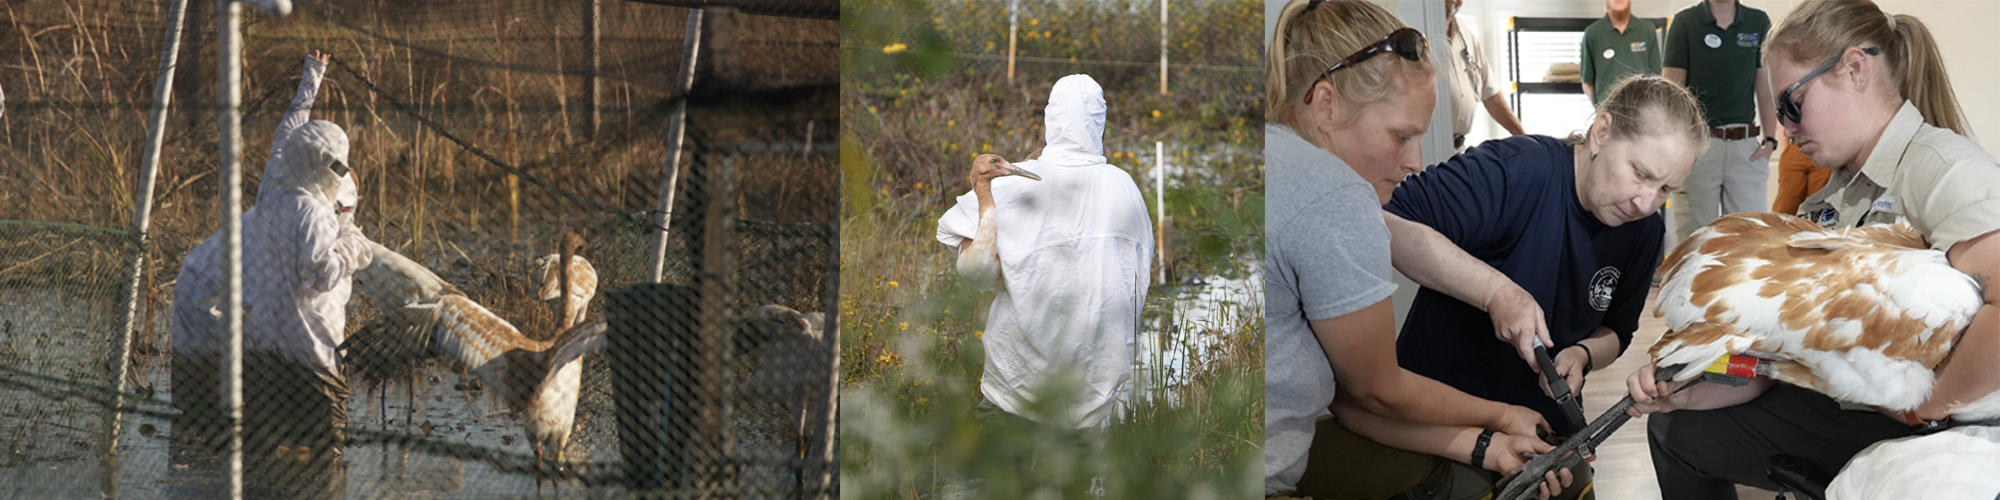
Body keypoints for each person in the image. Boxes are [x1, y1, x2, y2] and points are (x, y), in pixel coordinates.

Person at [1629, 3, 2000, 499]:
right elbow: (1779, 355)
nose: (1786, 128)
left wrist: (1928, 407)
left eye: (1792, 103)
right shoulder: (1828, 201)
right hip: (1851, 405)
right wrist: (1689, 392)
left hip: (1941, 426)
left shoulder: (1944, 171)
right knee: (1676, 430)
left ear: (1855, 70)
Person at [1323, 75, 1706, 500]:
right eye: (1640, 174)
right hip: (1436, 413)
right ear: (1602, 132)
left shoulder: (1644, 232)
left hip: (1539, 424)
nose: (1646, 202)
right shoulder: (1515, 171)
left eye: (1665, 188)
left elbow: (1618, 330)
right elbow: (1376, 220)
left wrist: (1582, 354)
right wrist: (1494, 291)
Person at [1260, 1, 1566, 498]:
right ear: (1325, 103)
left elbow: (1353, 392)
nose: (1416, 161)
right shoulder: (1335, 195)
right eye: (1401, 136)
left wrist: (1484, 444)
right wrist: (1502, 415)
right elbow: (1377, 391)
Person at [935, 74, 1152, 432]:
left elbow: (950, 230)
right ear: (1100, 120)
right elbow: (1138, 272)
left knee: (1000, 461)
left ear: (1051, 118)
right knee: (1074, 464)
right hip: (1091, 376)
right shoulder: (1123, 186)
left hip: (1016, 373)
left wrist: (1005, 268)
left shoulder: (1017, 182)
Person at [172, 50, 352, 453]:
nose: (340, 175)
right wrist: (351, 245)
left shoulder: (277, 176)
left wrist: (312, 77)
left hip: (258, 340)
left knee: (249, 442)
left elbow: (291, 127)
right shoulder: (312, 215)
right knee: (322, 448)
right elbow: (322, 275)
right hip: (296, 351)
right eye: (336, 168)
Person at [1662, 0, 1777, 243]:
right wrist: (1676, 146)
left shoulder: (1758, 22)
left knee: (1751, 238)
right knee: (1695, 239)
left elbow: (1765, 87)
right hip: (1700, 145)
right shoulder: (1685, 23)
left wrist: (1770, 140)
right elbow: (1672, 92)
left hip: (1746, 148)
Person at [1445, 0, 1525, 150]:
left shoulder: (1464, 33)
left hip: (1458, 150)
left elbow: (1491, 95)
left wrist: (1523, 137)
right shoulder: (1419, 35)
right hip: (1430, 147)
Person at [1579, 0, 1661, 107]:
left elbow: (1656, 78)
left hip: (1641, 110)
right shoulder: (1592, 33)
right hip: (1608, 111)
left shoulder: (1647, 30)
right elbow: (1587, 83)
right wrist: (1601, 109)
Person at [1769, 139, 1830, 214]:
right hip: (1797, 148)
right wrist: (1785, 150)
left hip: (1824, 150)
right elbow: (1783, 130)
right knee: (1786, 204)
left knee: (1819, 205)